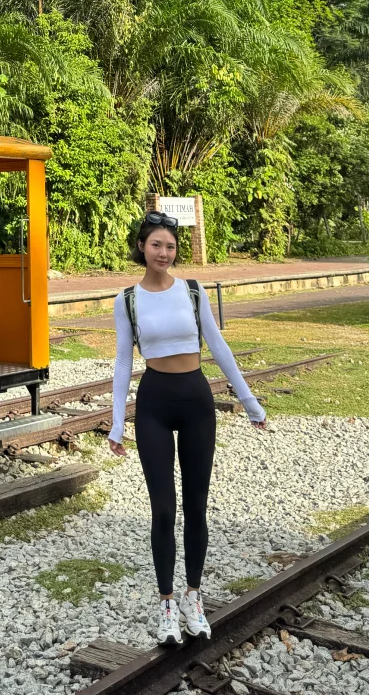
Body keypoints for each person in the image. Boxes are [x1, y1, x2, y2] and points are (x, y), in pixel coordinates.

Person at [107, 211, 267, 646]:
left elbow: (218, 346)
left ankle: (193, 597)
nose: (164, 252)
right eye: (156, 244)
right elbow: (124, 361)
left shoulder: (194, 293)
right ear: (142, 246)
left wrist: (249, 401)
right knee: (163, 508)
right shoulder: (128, 300)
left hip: (196, 400)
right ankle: (166, 605)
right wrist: (117, 423)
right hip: (155, 400)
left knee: (196, 505)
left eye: (171, 246)